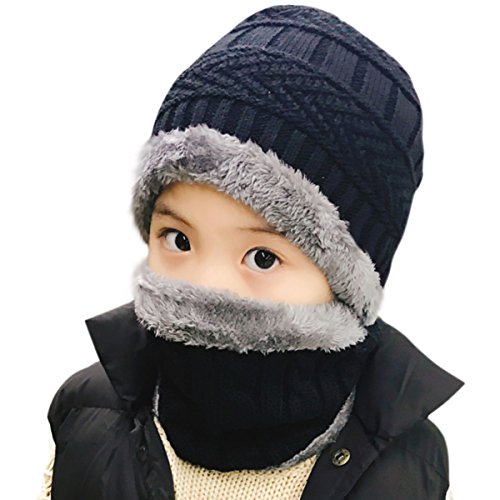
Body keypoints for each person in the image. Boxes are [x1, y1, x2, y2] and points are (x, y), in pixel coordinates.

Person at [38, 4, 464, 499]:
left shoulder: (409, 466)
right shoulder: (87, 417)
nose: (204, 286)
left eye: (262, 257)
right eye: (179, 239)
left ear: (350, 283)